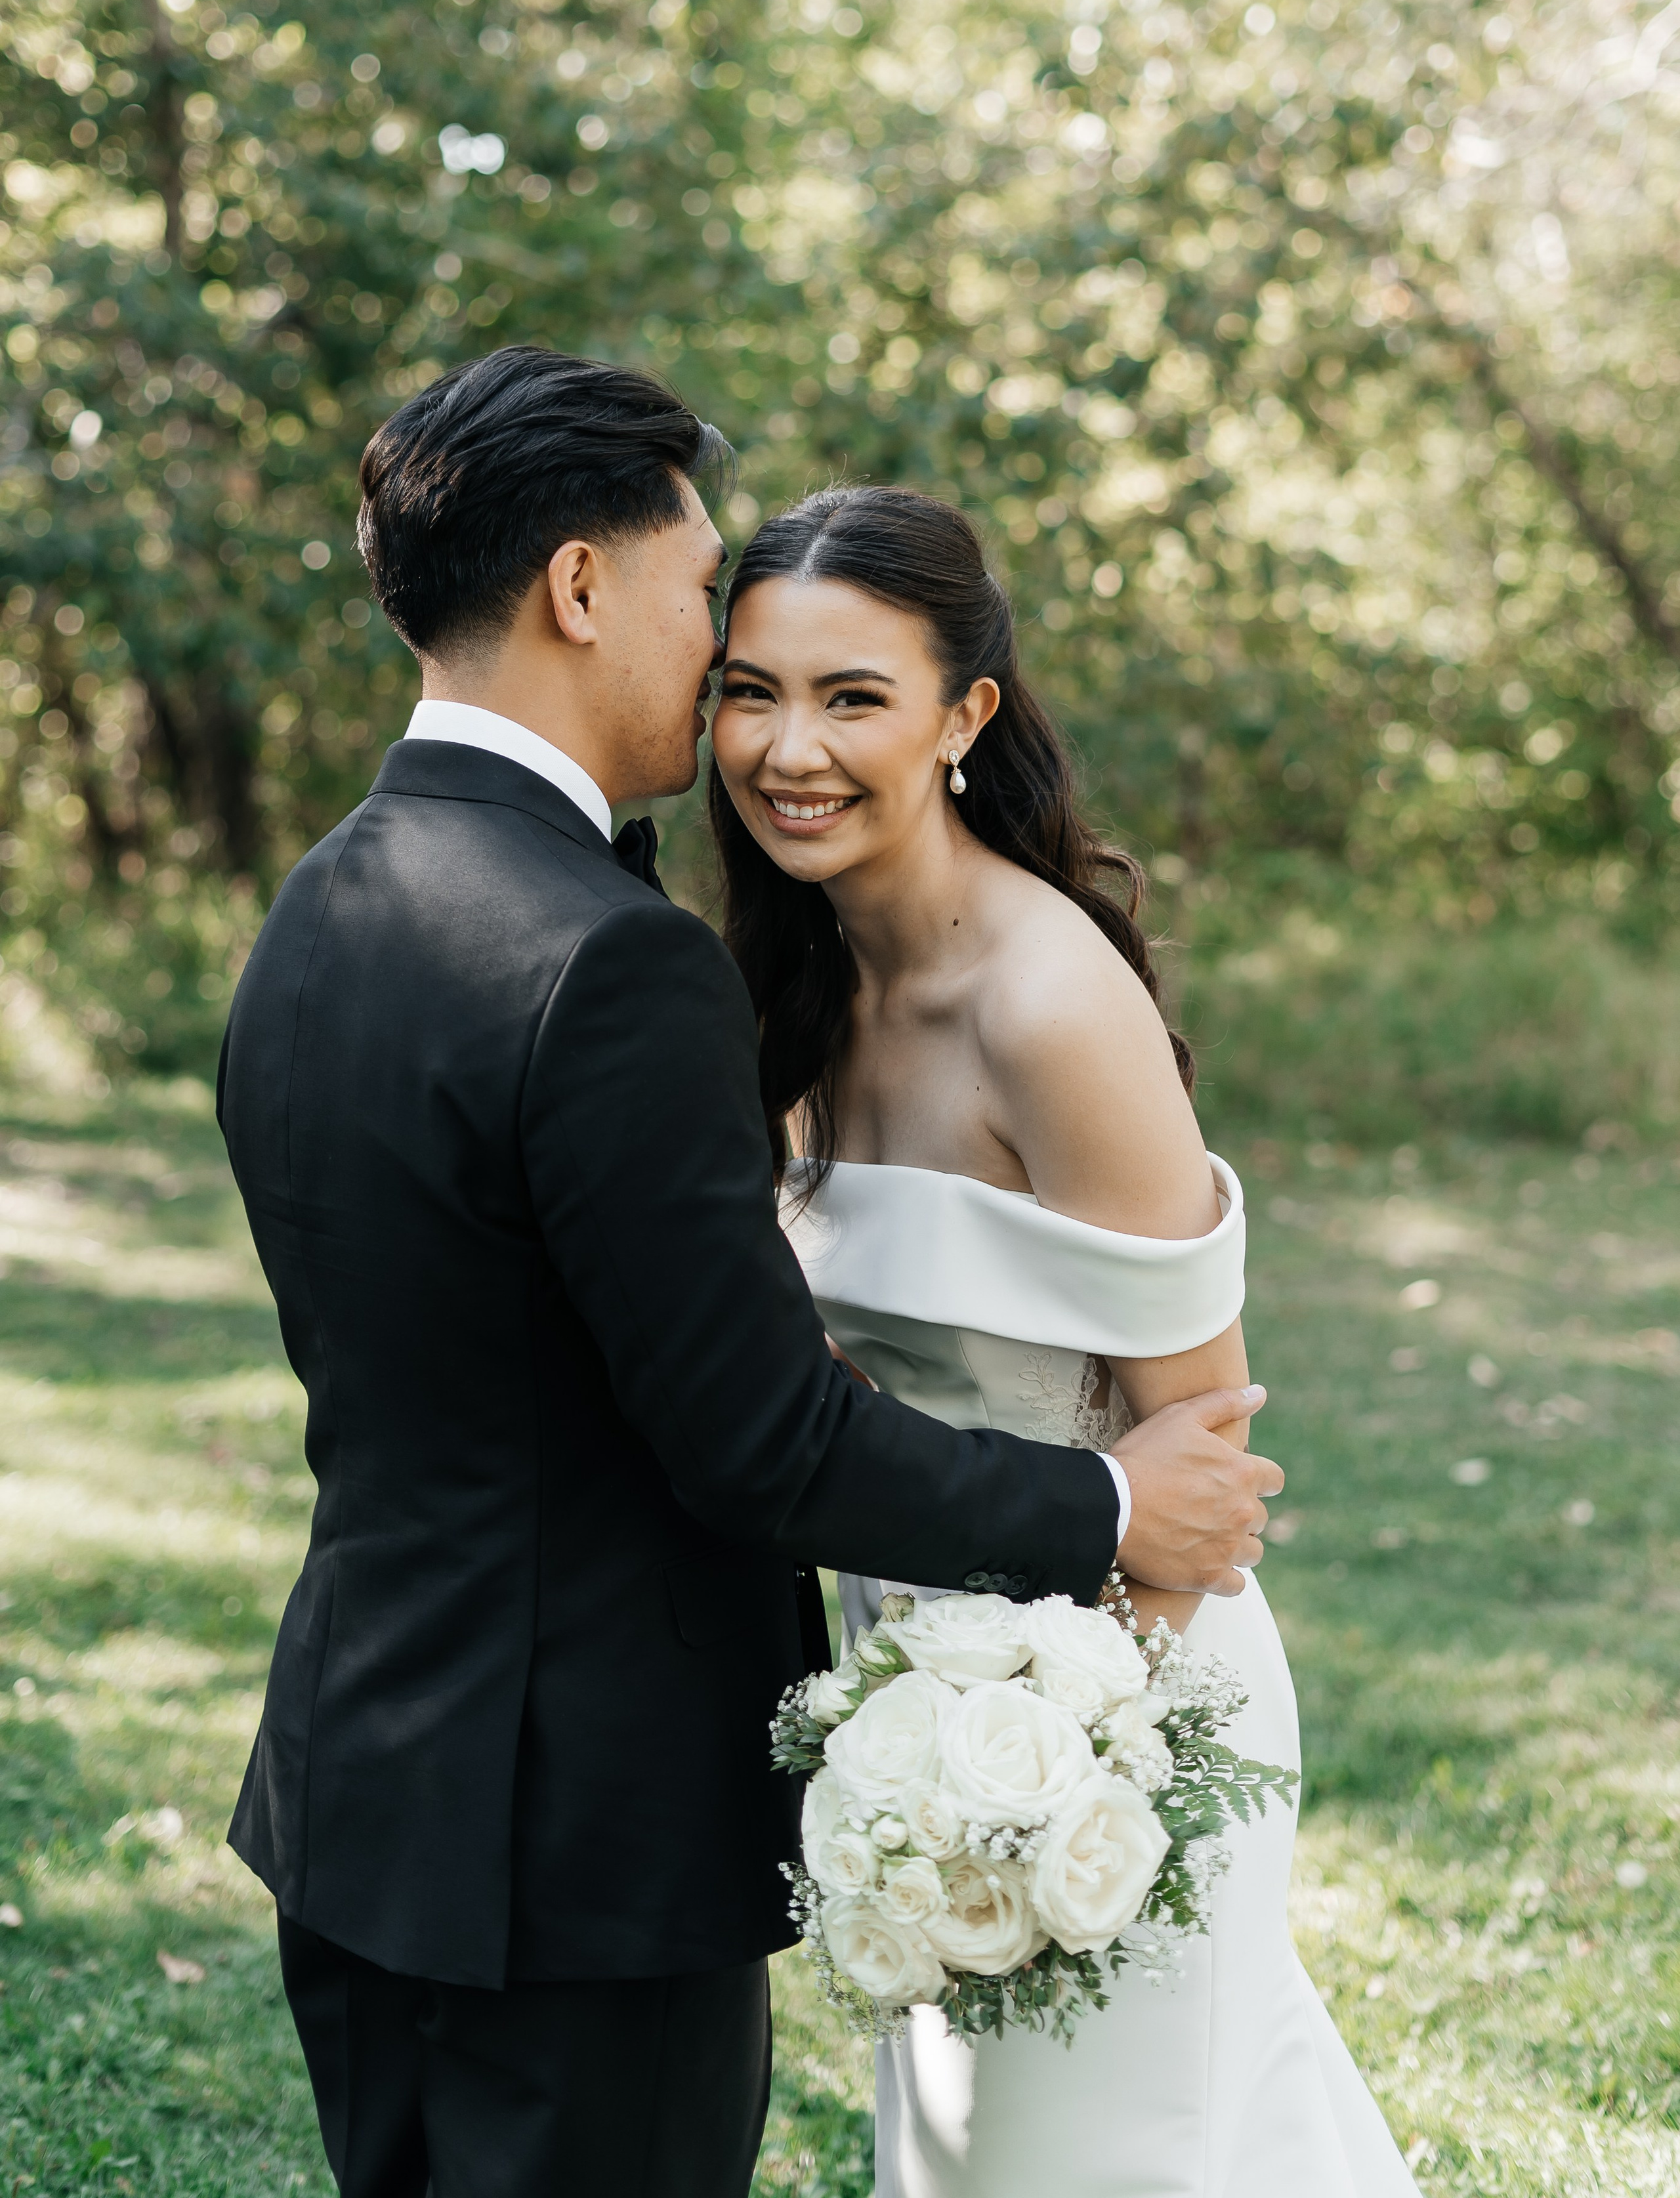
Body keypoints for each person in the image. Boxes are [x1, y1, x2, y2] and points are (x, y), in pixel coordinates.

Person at [216, 347, 1283, 2198]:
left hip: (368, 1787)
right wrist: (1112, 1499)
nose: (730, 679)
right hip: (581, 1831)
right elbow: (755, 1439)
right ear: (578, 588)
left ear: (963, 714)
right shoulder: (609, 958)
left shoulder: (329, 901)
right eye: (705, 598)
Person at [708, 482, 1419, 2198]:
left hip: (1111, 1722)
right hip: (912, 1711)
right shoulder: (803, 979)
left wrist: (1067, 1783)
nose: (788, 746)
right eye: (750, 689)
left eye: (851, 696)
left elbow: (1211, 1458)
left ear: (968, 717)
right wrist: (904, 1757)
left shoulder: (1048, 1004)